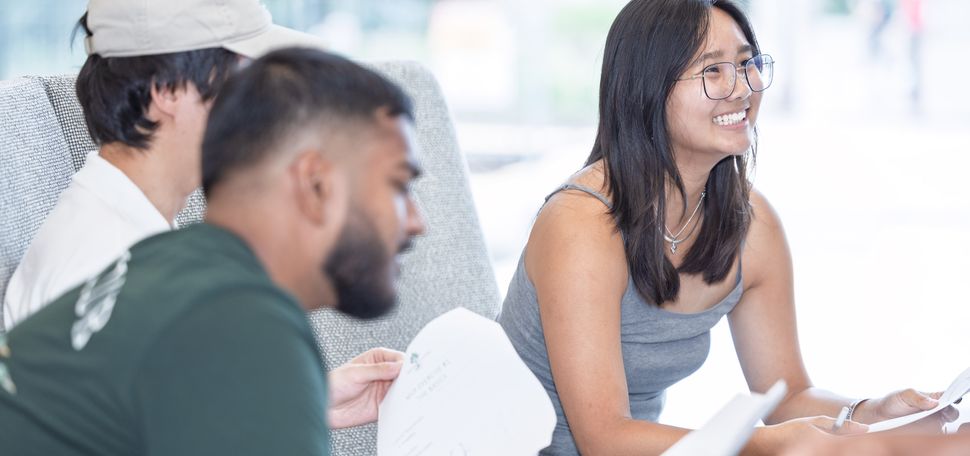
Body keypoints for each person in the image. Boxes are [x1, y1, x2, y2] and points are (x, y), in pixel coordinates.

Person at [497, 0, 952, 454]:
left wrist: (868, 412)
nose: (742, 89)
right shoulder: (581, 224)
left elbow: (789, 396)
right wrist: (771, 444)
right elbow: (605, 439)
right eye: (713, 71)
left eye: (746, 64)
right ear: (647, 88)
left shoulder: (751, 225)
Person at [0, 47, 426, 455]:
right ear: (315, 184)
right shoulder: (241, 320)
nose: (416, 221)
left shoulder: (161, 263)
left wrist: (298, 399)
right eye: (398, 186)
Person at [3, 0, 328, 328]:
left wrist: (320, 382)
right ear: (168, 89)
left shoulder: (132, 225)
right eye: (244, 78)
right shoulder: (105, 272)